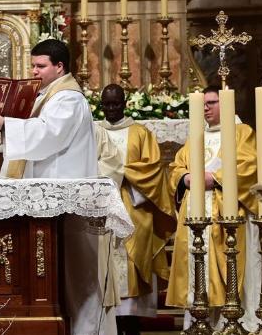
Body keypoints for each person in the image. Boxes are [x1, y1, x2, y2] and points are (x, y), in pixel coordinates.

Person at [0, 39, 114, 335]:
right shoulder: (48, 95)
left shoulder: (69, 99)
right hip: (49, 201)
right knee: (54, 277)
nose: (34, 71)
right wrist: (3, 125)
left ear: (59, 66)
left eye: (41, 66)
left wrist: (6, 124)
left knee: (77, 277)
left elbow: (48, 135)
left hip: (67, 199)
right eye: (33, 65)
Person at [166, 85, 260, 331]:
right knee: (197, 271)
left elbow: (249, 165)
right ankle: (199, 323)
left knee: (227, 271)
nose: (205, 108)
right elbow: (177, 165)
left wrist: (216, 178)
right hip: (196, 213)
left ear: (227, 104)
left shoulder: (242, 132)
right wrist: (185, 178)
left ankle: (229, 324)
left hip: (225, 213)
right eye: (203, 103)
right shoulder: (197, 134)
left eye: (212, 102)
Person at [97, 84, 177, 335]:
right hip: (102, 210)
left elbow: (153, 170)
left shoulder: (141, 133)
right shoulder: (94, 131)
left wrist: (118, 172)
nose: (111, 109)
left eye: (116, 103)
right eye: (107, 104)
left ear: (124, 103)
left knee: (132, 267)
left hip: (134, 209)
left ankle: (131, 326)